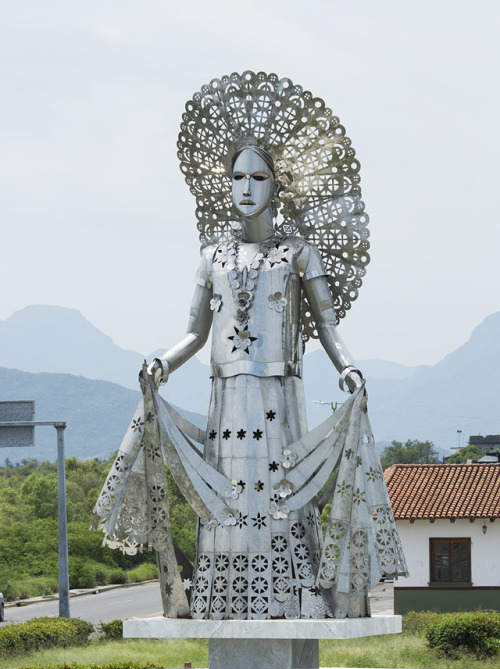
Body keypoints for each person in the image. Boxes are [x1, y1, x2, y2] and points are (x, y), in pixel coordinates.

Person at [93, 72, 407, 620]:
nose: (245, 187)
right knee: (228, 500)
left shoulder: (299, 254)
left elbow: (327, 326)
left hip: (278, 396)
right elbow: (194, 333)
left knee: (280, 496)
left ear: (276, 185)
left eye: (257, 176)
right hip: (224, 398)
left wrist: (349, 369)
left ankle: (295, 596)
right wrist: (162, 363)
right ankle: (221, 598)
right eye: (237, 176)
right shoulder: (212, 257)